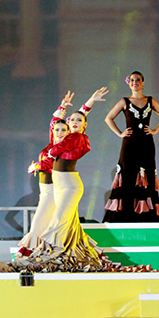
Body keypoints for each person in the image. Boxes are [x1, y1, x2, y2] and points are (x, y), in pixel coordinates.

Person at [30, 88, 109, 268]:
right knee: (69, 226)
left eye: (78, 120)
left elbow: (57, 148)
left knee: (59, 220)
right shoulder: (65, 136)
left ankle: (49, 255)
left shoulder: (77, 138)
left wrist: (90, 102)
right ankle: (68, 258)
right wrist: (62, 109)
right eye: (71, 120)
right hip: (58, 186)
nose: (74, 122)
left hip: (70, 186)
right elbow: (55, 127)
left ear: (84, 125)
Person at [103, 71, 159, 223]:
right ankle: (126, 217)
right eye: (132, 80)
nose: (135, 82)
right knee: (128, 177)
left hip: (146, 145)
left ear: (143, 82)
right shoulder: (125, 101)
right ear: (129, 83)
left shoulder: (150, 100)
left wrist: (154, 130)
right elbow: (109, 118)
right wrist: (120, 133)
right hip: (129, 145)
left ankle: (146, 218)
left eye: (138, 80)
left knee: (147, 177)